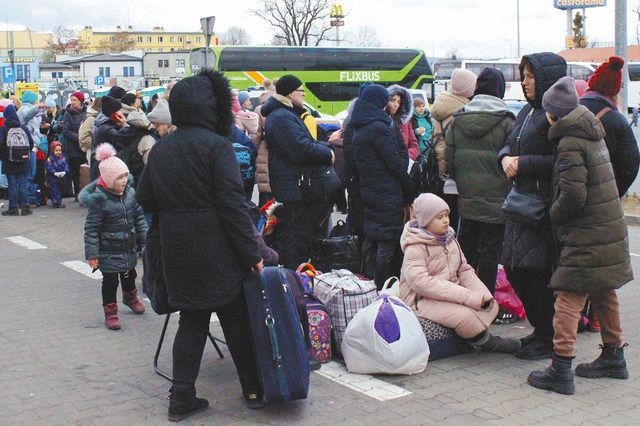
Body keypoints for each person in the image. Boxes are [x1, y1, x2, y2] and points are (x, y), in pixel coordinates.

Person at [136, 69, 266, 420]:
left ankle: (180, 399)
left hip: (177, 248)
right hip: (218, 248)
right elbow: (232, 206)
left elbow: (145, 197)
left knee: (191, 322)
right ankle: (253, 389)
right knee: (235, 321)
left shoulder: (162, 149)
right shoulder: (217, 146)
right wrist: (253, 253)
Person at [527, 76, 633, 395]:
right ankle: (614, 356)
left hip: (586, 232)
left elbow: (573, 196)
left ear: (553, 114)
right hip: (607, 226)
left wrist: (552, 216)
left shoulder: (570, 141)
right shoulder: (591, 133)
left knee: (568, 295)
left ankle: (561, 367)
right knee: (603, 290)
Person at [498, 52, 567, 360]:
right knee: (514, 268)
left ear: (546, 79)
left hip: (542, 207)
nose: (524, 82)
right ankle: (540, 329)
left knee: (535, 273)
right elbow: (508, 144)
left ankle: (549, 335)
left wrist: (523, 163)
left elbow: (563, 160)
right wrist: (504, 159)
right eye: (524, 75)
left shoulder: (556, 114)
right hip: (519, 204)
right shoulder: (527, 111)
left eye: (529, 76)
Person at [399, 193, 521, 353]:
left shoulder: (449, 239)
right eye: (439, 217)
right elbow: (422, 284)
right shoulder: (415, 247)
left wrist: (482, 294)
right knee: (466, 317)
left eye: (447, 215)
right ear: (426, 222)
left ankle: (476, 338)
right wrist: (466, 296)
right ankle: (490, 344)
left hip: (448, 292)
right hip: (420, 300)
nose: (446, 220)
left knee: (489, 305)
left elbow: (464, 270)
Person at [445, 68, 515, 300]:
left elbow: (450, 162)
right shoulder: (507, 122)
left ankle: (462, 297)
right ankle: (484, 301)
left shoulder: (458, 119)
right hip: (498, 201)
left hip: (467, 198)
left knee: (465, 250)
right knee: (490, 252)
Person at [260, 74, 335, 269]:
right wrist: (327, 152)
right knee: (295, 236)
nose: (303, 94)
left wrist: (325, 146)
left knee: (295, 233)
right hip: (294, 186)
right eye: (301, 91)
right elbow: (300, 148)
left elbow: (306, 142)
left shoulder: (284, 114)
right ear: (291, 93)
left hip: (293, 184)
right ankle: (294, 276)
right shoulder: (282, 116)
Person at [351, 83, 414, 289]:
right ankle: (381, 288)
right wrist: (409, 186)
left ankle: (371, 284)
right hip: (387, 192)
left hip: (371, 190)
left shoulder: (360, 125)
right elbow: (394, 162)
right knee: (387, 241)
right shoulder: (379, 127)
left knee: (374, 238)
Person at [80, 143, 147, 331]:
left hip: (128, 247)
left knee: (130, 275)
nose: (124, 180)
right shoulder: (99, 201)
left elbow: (139, 217)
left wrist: (146, 238)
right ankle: (110, 312)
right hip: (108, 251)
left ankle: (130, 298)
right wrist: (92, 255)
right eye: (119, 178)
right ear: (108, 180)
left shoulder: (130, 194)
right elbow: (91, 229)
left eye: (126, 175)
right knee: (110, 282)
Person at [580, 56, 640, 198]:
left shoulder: (571, 110)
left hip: (572, 196)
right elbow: (630, 165)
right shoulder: (617, 120)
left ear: (592, 83)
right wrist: (614, 193)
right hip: (604, 199)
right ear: (615, 92)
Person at [430, 68, 477, 229]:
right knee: (454, 223)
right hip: (453, 175)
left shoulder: (442, 106)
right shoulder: (461, 111)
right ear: (467, 90)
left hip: (439, 172)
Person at [90, 96, 137, 180]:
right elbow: (122, 139)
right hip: (104, 172)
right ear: (113, 113)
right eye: (119, 111)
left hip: (99, 169)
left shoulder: (103, 124)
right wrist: (125, 126)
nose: (121, 114)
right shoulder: (107, 128)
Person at [0, 104, 34, 216]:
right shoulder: (23, 127)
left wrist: (3, 157)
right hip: (23, 161)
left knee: (12, 185)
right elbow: (31, 143)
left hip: (9, 162)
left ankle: (13, 208)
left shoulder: (4, 129)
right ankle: (25, 207)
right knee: (23, 184)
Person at [62, 92, 88, 201]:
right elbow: (66, 130)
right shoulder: (68, 113)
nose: (73, 102)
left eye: (75, 100)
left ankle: (86, 192)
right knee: (75, 171)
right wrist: (79, 137)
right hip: (73, 147)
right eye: (72, 100)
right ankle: (78, 193)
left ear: (81, 101)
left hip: (85, 147)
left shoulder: (86, 112)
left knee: (85, 171)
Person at [387, 85, 419, 161]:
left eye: (399, 102)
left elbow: (414, 145)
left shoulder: (405, 122)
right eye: (392, 100)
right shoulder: (380, 121)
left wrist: (406, 156)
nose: (396, 105)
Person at [140, 98, 172, 164]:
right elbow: (151, 166)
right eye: (168, 126)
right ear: (158, 123)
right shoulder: (148, 139)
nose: (169, 131)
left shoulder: (155, 136)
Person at [45, 141, 69, 208]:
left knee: (60, 189)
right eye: (56, 150)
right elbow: (49, 167)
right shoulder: (50, 159)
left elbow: (66, 165)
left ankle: (59, 201)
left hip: (61, 176)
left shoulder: (63, 158)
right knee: (54, 190)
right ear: (52, 150)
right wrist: (54, 172)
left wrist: (65, 171)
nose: (58, 152)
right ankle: (55, 202)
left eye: (60, 150)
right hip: (53, 177)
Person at [79, 97, 102, 164]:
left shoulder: (97, 117)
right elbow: (83, 137)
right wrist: (96, 142)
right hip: (92, 151)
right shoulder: (91, 119)